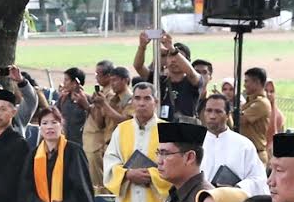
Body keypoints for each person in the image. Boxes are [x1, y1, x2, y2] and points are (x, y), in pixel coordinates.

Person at [199, 94, 268, 196]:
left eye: (218, 111)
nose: (212, 116)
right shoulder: (196, 143)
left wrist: (237, 188)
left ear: (227, 115)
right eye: (209, 110)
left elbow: (258, 178)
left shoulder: (244, 145)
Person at [81, 61, 132, 189]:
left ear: (125, 80)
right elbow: (100, 124)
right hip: (108, 146)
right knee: (103, 187)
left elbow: (125, 122)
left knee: (116, 187)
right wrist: (97, 106)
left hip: (122, 149)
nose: (112, 83)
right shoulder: (112, 100)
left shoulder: (130, 100)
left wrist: (104, 104)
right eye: (111, 80)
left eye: (115, 80)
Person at [134, 32, 201, 122]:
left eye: (177, 56)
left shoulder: (192, 81)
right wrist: (142, 47)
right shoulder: (159, 80)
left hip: (184, 131)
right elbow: (138, 67)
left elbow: (191, 74)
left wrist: (173, 50)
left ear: (187, 61)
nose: (173, 60)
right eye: (170, 56)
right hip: (161, 129)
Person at [240, 68, 274, 167]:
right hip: (246, 154)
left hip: (256, 154)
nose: (244, 85)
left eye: (247, 81)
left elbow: (240, 120)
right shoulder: (250, 101)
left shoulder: (261, 103)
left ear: (257, 82)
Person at [54, 68, 90, 145]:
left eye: (66, 80)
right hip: (64, 142)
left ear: (75, 82)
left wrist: (86, 105)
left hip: (81, 144)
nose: (64, 83)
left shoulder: (88, 99)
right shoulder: (63, 98)